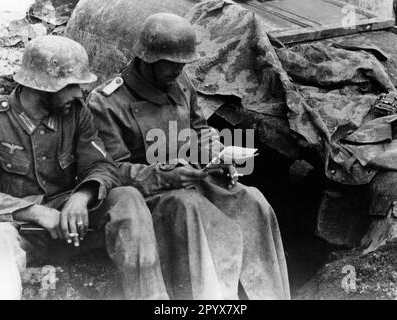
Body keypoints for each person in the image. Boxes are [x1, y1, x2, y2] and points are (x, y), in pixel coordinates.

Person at [88, 13, 290, 300]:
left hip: (194, 176)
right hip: (149, 195)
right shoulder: (107, 102)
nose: (179, 70)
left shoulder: (180, 83)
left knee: (252, 200)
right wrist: (164, 175)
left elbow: (200, 128)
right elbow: (111, 171)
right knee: (190, 207)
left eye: (184, 63)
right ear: (148, 58)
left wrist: (217, 154)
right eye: (173, 63)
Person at [0, 35, 168, 300]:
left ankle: (152, 299)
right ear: (42, 87)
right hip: (18, 229)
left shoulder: (76, 113)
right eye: (71, 86)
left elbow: (102, 165)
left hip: (70, 226)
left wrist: (82, 197)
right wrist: (34, 212)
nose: (78, 93)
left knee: (127, 197)